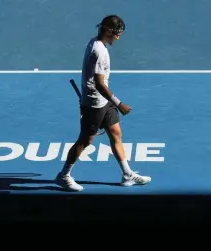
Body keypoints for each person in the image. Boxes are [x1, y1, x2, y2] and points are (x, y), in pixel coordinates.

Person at [55, 15, 151, 192]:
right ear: (108, 31)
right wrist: (119, 103)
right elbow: (99, 84)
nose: (118, 38)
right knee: (85, 140)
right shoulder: (99, 52)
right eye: (117, 34)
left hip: (103, 100)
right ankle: (64, 175)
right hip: (94, 103)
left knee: (116, 133)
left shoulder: (96, 43)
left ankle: (127, 175)